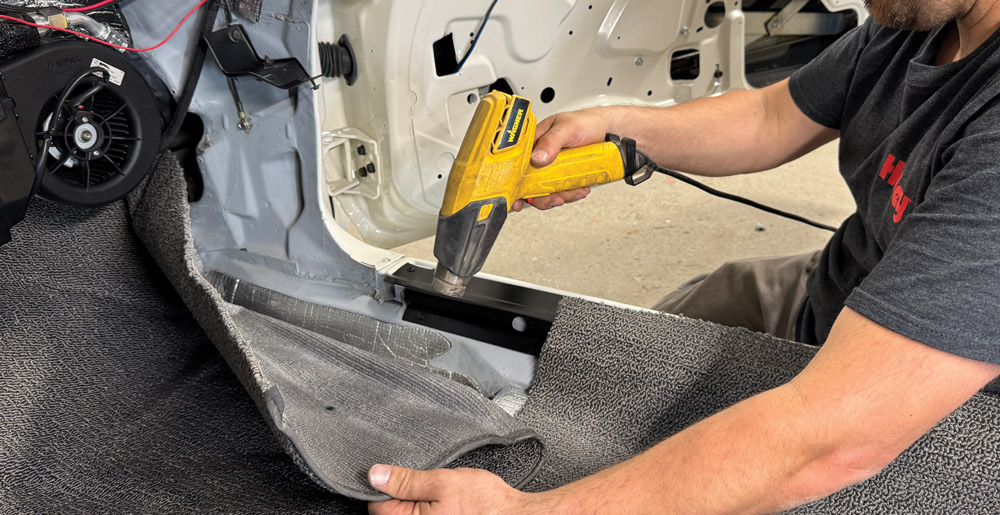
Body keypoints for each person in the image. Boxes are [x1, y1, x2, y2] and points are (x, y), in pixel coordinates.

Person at [368, 0, 1000, 512]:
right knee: (670, 330)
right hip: (840, 287)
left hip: (947, 394)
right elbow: (772, 117)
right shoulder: (910, 20)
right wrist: (614, 126)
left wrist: (528, 513)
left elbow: (830, 439)